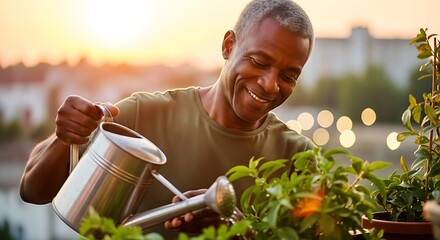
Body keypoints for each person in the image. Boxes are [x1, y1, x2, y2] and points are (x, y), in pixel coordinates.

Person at [19, 0, 315, 237]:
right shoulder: (142, 114)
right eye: (259, 62)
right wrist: (65, 137)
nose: (270, 84)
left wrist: (239, 231)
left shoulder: (297, 156)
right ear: (228, 46)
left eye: (289, 75)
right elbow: (34, 191)